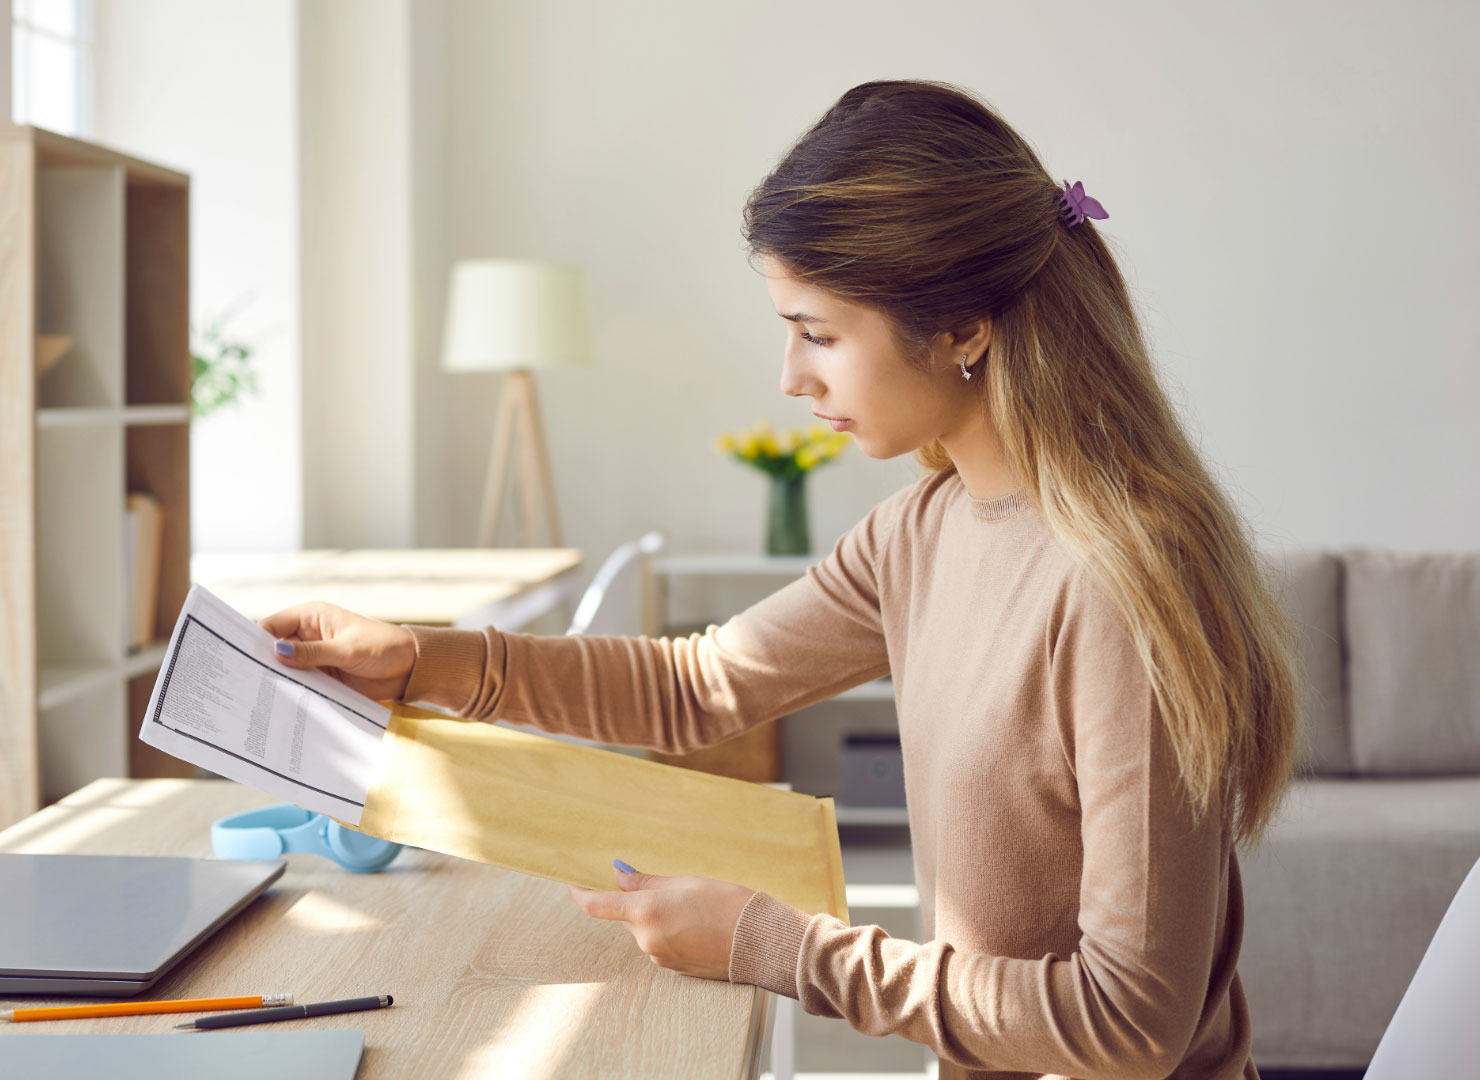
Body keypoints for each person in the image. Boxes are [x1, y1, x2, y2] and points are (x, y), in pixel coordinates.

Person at [261, 79, 1299, 1080]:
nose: (792, 378)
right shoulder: (918, 532)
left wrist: (777, 946)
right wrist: (421, 659)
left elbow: (1129, 1026)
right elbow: (695, 688)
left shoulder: (1119, 587)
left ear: (962, 327)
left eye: (818, 333)